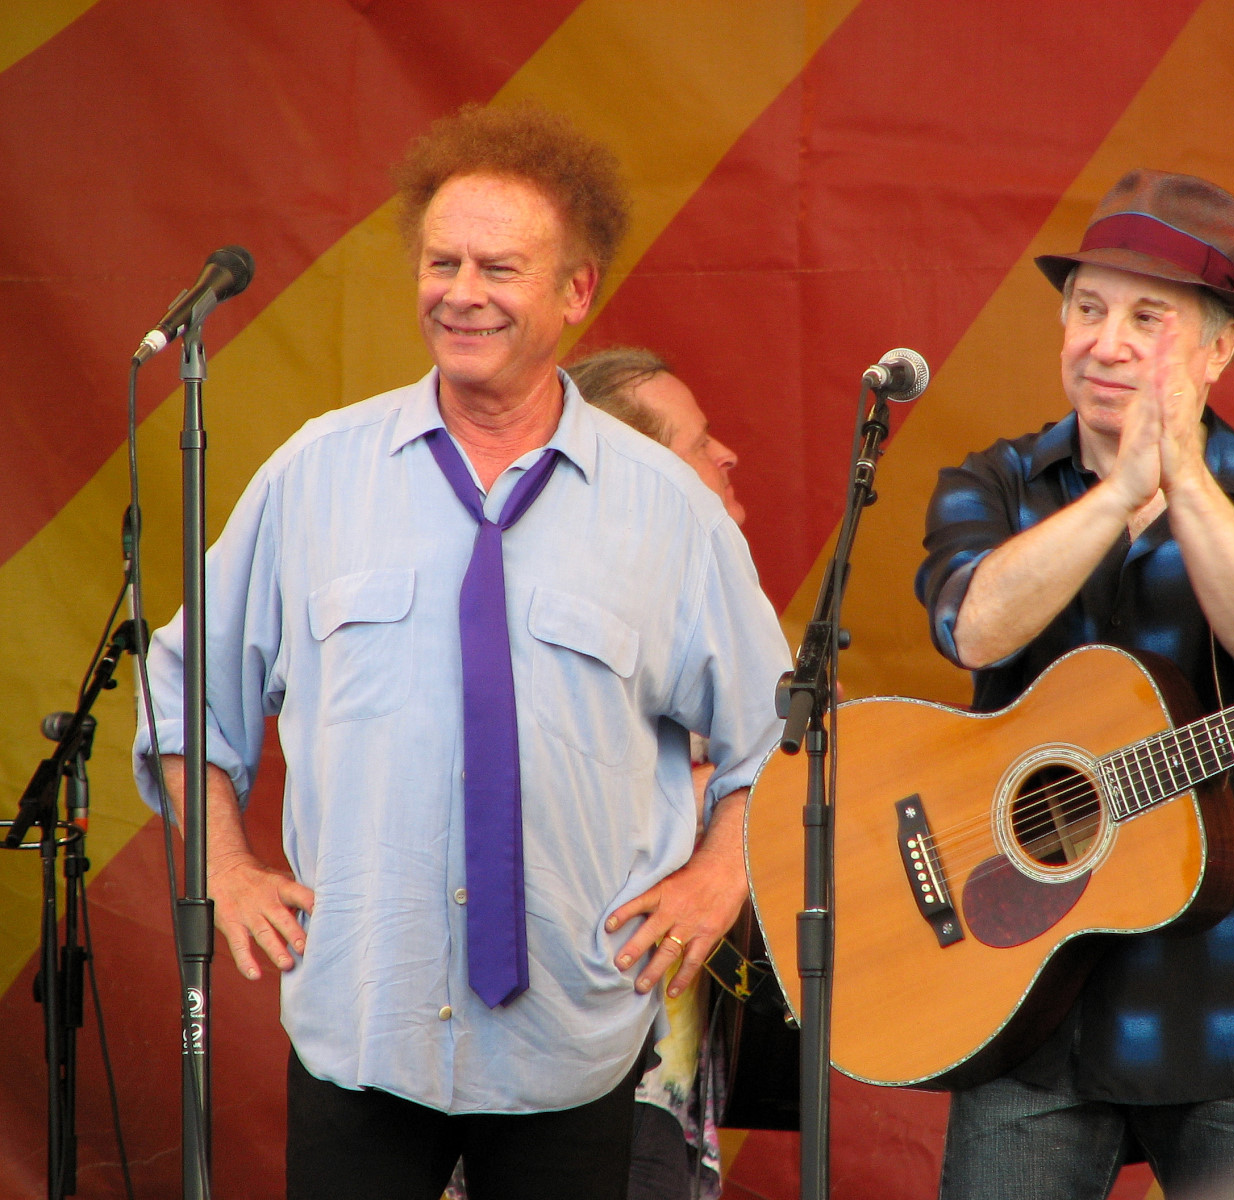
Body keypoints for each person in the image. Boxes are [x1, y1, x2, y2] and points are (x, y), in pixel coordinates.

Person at [131, 102, 791, 1200]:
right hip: (363, 1030)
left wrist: (720, 876)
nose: (461, 291)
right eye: (441, 261)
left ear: (576, 292)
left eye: (499, 266)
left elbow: (779, 730)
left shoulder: (668, 512)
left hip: (569, 1049)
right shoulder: (315, 476)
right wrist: (223, 868)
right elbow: (184, 692)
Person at [914, 169, 1234, 1200]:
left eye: (1145, 319)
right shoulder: (995, 482)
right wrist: (1118, 493)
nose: (1103, 343)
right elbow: (975, 627)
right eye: (1086, 309)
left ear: (1216, 350)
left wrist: (1186, 479)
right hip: (1024, 1001)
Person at [567, 346, 745, 1200]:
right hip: (593, 1058)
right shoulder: (584, 605)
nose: (728, 456)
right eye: (699, 442)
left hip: (661, 1085)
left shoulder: (714, 610)